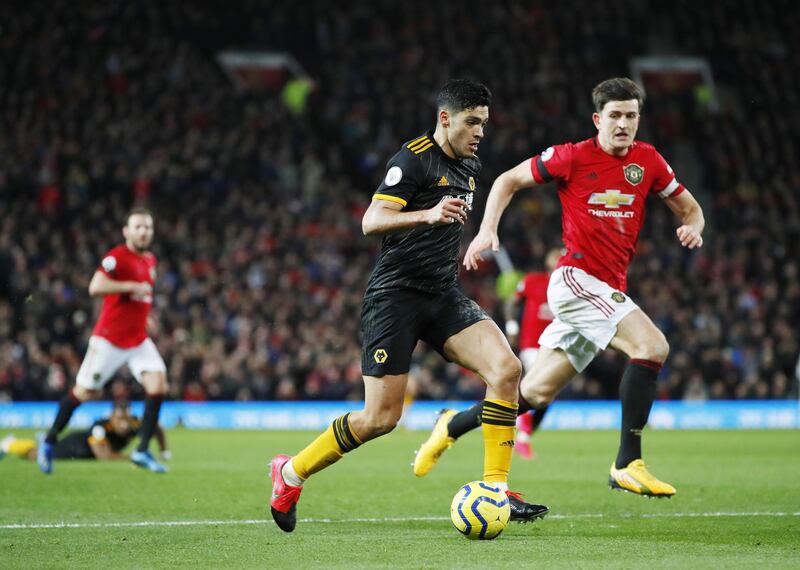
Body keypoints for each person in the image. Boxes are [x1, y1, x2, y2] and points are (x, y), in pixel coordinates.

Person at [268, 79, 547, 533]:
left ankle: (496, 489)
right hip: (395, 297)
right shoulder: (413, 158)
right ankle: (290, 473)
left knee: (507, 370)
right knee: (380, 419)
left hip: (441, 295)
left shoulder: (471, 165)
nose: (480, 132)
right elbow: (371, 220)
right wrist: (429, 214)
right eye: (472, 122)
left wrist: (473, 239)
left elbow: (453, 219)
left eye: (484, 123)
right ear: (445, 118)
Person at [414, 77, 705, 498]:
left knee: (531, 394)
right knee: (652, 347)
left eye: (631, 116)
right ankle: (628, 462)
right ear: (597, 119)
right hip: (575, 280)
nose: (623, 124)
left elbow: (690, 209)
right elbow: (506, 181)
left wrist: (693, 227)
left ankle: (451, 425)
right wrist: (485, 232)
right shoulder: (572, 156)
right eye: (615, 116)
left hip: (605, 288)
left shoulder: (650, 162)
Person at [37, 207, 170, 474]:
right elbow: (95, 287)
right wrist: (129, 286)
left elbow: (141, 299)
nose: (144, 231)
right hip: (109, 340)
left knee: (158, 384)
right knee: (84, 392)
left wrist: (146, 319)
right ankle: (49, 441)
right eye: (138, 227)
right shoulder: (116, 258)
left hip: (137, 340)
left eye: (148, 227)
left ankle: (142, 450)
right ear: (126, 231)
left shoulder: (150, 261)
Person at [506, 247, 561, 459]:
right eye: (555, 254)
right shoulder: (532, 280)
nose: (558, 257)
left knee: (546, 396)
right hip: (532, 345)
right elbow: (512, 303)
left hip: (556, 346)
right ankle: (516, 434)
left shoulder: (569, 286)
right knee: (533, 387)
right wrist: (512, 326)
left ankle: (523, 436)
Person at [1, 402, 169, 463]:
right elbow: (104, 457)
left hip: (87, 453)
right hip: (76, 447)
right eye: (120, 419)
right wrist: (132, 458)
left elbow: (156, 426)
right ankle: (10, 444)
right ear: (111, 417)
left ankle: (34, 440)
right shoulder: (100, 428)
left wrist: (164, 451)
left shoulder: (134, 423)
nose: (124, 424)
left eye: (126, 419)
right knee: (35, 456)